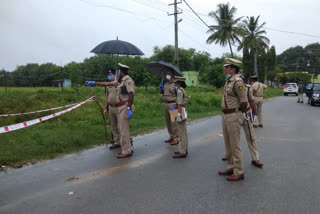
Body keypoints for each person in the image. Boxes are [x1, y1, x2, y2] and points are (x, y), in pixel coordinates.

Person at [221, 75, 264, 168]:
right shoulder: (229, 86)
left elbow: (251, 101)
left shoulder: (248, 88)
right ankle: (229, 156)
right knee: (233, 139)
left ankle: (255, 158)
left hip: (245, 114)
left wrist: (255, 114)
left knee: (250, 137)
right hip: (234, 115)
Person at [218, 58, 248, 181]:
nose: (224, 69)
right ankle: (231, 166)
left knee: (235, 145)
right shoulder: (228, 81)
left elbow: (244, 102)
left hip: (234, 115)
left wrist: (238, 113)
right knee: (228, 144)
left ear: (232, 69)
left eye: (226, 67)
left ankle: (239, 171)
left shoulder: (238, 82)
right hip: (225, 115)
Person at [116, 63, 135, 158]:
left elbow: (131, 94)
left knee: (123, 129)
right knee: (121, 128)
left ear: (121, 71)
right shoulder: (121, 81)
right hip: (122, 106)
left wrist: (128, 108)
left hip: (126, 105)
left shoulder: (128, 80)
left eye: (118, 71)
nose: (117, 73)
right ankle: (127, 148)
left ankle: (126, 150)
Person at [160, 70, 178, 145]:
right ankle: (171, 136)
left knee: (174, 122)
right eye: (166, 74)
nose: (167, 75)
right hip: (166, 104)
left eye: (169, 74)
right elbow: (162, 93)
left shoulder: (175, 83)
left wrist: (177, 105)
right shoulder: (166, 83)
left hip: (173, 104)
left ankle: (176, 138)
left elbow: (179, 95)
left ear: (172, 74)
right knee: (168, 122)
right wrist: (161, 88)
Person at [104, 69, 121, 150]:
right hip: (111, 107)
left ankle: (125, 141)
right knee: (113, 126)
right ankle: (116, 142)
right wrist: (105, 108)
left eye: (111, 74)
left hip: (119, 107)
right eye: (109, 74)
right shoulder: (108, 85)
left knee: (121, 125)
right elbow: (106, 97)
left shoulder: (120, 84)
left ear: (115, 75)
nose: (109, 76)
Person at [172, 76, 189, 158]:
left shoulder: (179, 91)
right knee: (183, 131)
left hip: (180, 110)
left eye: (175, 82)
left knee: (181, 132)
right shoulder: (182, 90)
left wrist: (178, 114)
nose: (174, 84)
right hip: (182, 109)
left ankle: (182, 151)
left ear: (178, 83)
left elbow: (179, 103)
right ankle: (184, 149)